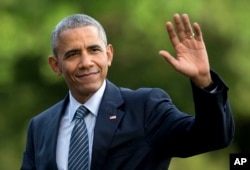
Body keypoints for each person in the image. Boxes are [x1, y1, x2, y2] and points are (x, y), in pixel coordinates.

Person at [21, 13, 234, 170]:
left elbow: (211, 137)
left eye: (94, 50)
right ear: (55, 65)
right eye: (73, 54)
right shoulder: (40, 126)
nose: (86, 62)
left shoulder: (145, 107)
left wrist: (204, 80)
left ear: (109, 55)